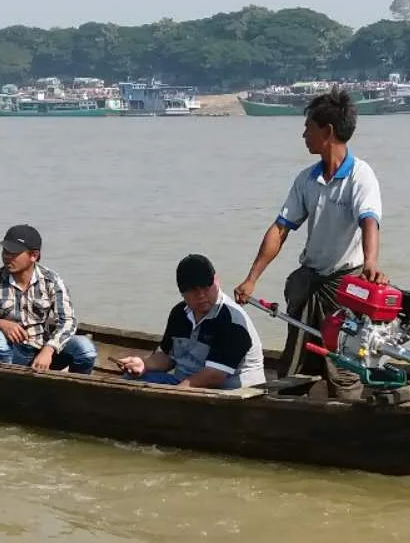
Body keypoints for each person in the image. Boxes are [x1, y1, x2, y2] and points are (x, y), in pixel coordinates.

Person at [231, 87, 384, 398]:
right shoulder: (307, 180)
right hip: (310, 281)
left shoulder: (360, 176)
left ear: (327, 132)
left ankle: (348, 421)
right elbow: (280, 229)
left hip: (344, 285)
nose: (303, 135)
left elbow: (369, 220)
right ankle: (293, 412)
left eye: (308, 128)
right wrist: (251, 278)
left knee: (343, 367)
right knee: (296, 363)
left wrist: (371, 262)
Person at [114, 254, 266, 390]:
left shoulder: (232, 321)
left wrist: (175, 393)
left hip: (232, 393)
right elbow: (167, 357)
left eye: (206, 287)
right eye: (193, 290)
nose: (201, 295)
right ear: (182, 292)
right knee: (129, 380)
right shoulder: (179, 314)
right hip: (186, 384)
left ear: (216, 281)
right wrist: (144, 364)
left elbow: (214, 376)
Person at [0, 224, 98, 374]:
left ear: (34, 256)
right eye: (5, 251)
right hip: (11, 352)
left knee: (85, 348)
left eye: (13, 253)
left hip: (43, 351)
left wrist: (49, 349)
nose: (7, 257)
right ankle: (5, 386)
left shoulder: (51, 281)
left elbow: (68, 321)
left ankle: (71, 391)